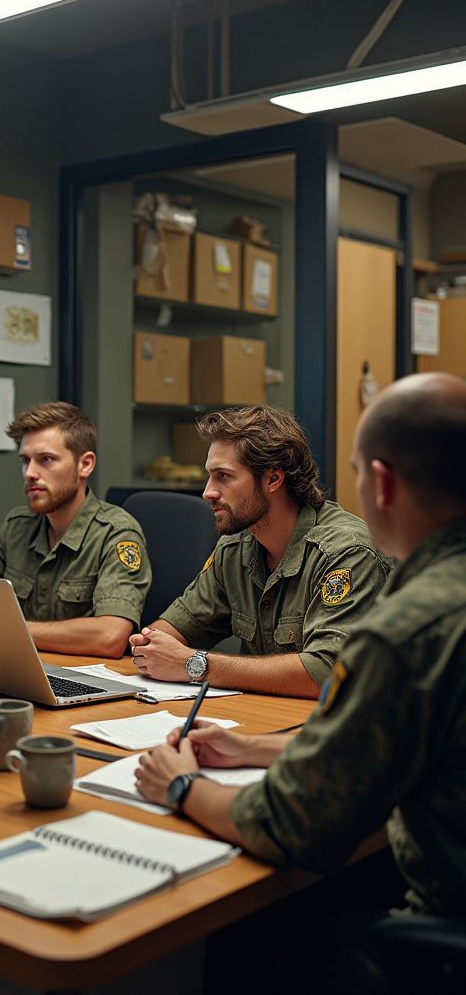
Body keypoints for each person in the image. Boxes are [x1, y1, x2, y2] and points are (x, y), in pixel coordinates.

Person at [135, 373, 466, 982]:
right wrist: (254, 746)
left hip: (437, 939)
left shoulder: (407, 631)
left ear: (384, 483)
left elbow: (294, 825)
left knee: (243, 942)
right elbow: (392, 735)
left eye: (360, 473)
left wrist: (183, 787)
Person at [128, 405, 390, 696]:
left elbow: (327, 672)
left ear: (273, 479)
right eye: (209, 476)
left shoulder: (347, 552)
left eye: (223, 476)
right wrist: (151, 646)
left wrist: (194, 664)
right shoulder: (235, 548)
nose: (207, 492)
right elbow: (172, 630)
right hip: (259, 721)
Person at [0, 401, 150, 658]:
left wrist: (6, 629)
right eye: (25, 460)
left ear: (85, 465)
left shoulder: (116, 534)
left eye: (46, 460)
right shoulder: (17, 527)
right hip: (20, 667)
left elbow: (110, 636)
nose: (29, 473)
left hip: (84, 682)